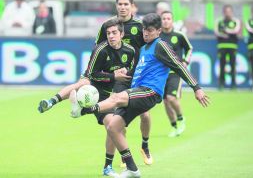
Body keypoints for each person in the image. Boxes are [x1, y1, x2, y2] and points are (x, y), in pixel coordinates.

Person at [70, 13, 210, 178]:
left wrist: (196, 87)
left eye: (150, 30)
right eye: (144, 29)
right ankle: (132, 169)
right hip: (138, 90)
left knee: (116, 98)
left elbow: (178, 65)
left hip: (150, 91)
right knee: (113, 127)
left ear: (158, 31)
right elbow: (135, 72)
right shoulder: (142, 49)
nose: (145, 33)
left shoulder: (161, 45)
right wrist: (120, 73)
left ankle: (83, 110)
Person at [38, 18, 134, 177]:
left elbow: (129, 74)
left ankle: (107, 167)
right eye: (108, 33)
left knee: (114, 126)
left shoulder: (130, 51)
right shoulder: (100, 50)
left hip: (110, 93)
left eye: (114, 33)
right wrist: (113, 76)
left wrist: (123, 82)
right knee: (83, 82)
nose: (111, 36)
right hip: (94, 85)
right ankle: (51, 101)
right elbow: (92, 74)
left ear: (122, 34)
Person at [96, 0, 153, 166]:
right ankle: (123, 153)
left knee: (145, 115)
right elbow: (98, 50)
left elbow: (148, 50)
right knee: (118, 118)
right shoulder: (108, 25)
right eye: (119, 4)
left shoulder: (139, 25)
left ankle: (144, 145)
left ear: (131, 6)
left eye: (125, 4)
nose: (122, 7)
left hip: (139, 76)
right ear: (116, 6)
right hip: (120, 79)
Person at [160, 11, 193, 137]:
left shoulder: (179, 35)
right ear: (161, 21)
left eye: (168, 18)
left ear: (172, 21)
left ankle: (181, 118)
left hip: (175, 72)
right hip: (162, 74)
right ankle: (174, 126)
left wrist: (185, 61)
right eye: (164, 18)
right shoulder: (158, 36)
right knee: (166, 102)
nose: (166, 21)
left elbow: (189, 48)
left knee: (171, 98)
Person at [214, 5, 240, 89]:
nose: (227, 13)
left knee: (233, 66)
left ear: (231, 12)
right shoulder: (219, 21)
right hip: (222, 46)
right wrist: (227, 33)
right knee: (222, 66)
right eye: (226, 11)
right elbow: (217, 32)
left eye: (229, 11)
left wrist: (226, 31)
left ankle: (233, 84)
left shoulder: (235, 21)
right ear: (223, 12)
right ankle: (221, 84)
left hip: (232, 46)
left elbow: (236, 30)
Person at [245, 5, 253, 91]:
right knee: (252, 67)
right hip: (251, 48)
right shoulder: (249, 21)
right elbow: (249, 30)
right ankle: (252, 84)